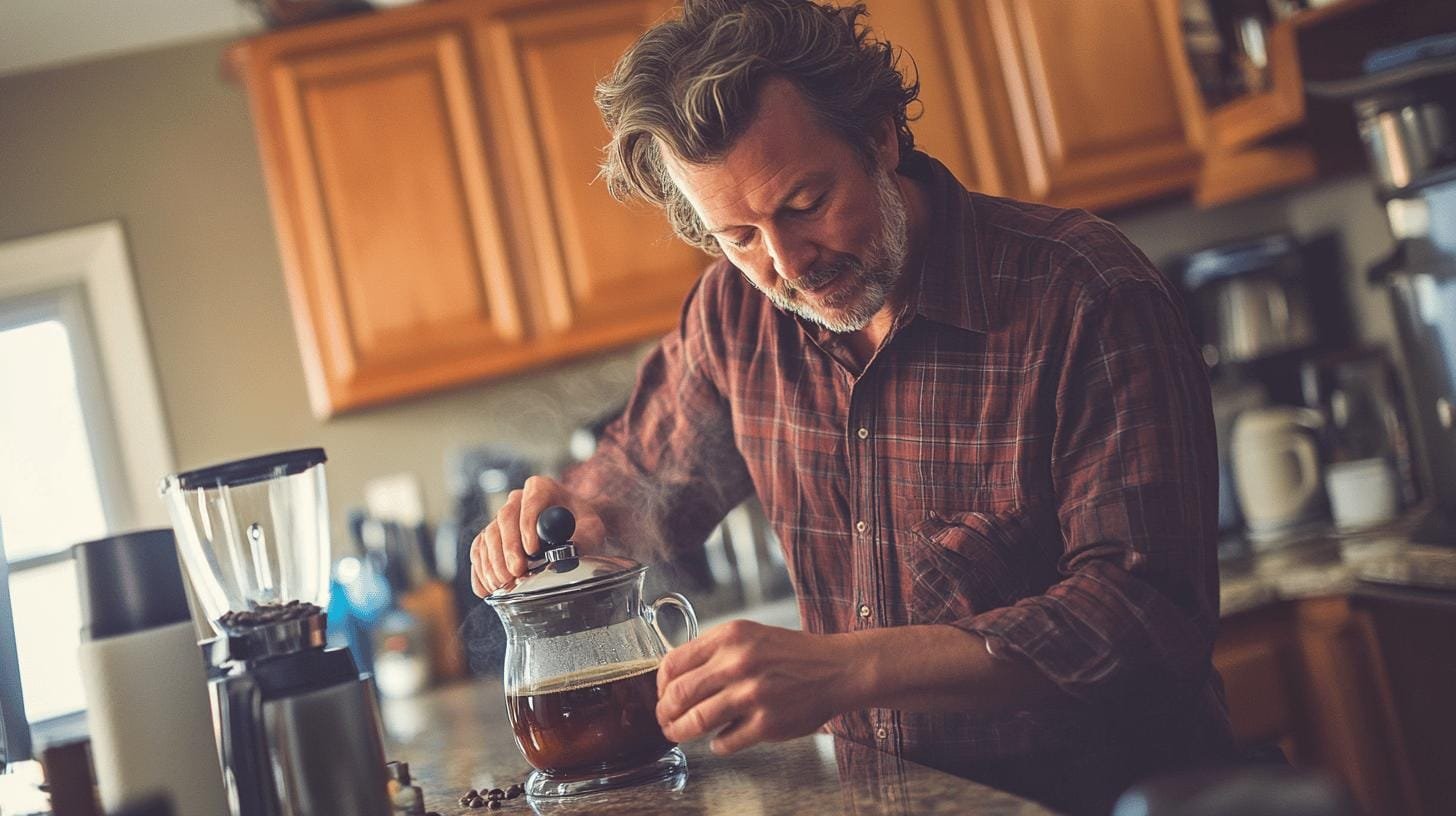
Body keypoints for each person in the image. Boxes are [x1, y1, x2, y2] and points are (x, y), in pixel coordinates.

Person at [471, 1, 1234, 811]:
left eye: (804, 204)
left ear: (879, 136)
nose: (787, 263)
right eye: (738, 235)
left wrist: (847, 670)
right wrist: (580, 514)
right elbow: (642, 478)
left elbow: (1147, 617)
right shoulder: (736, 314)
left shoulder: (1083, 291)